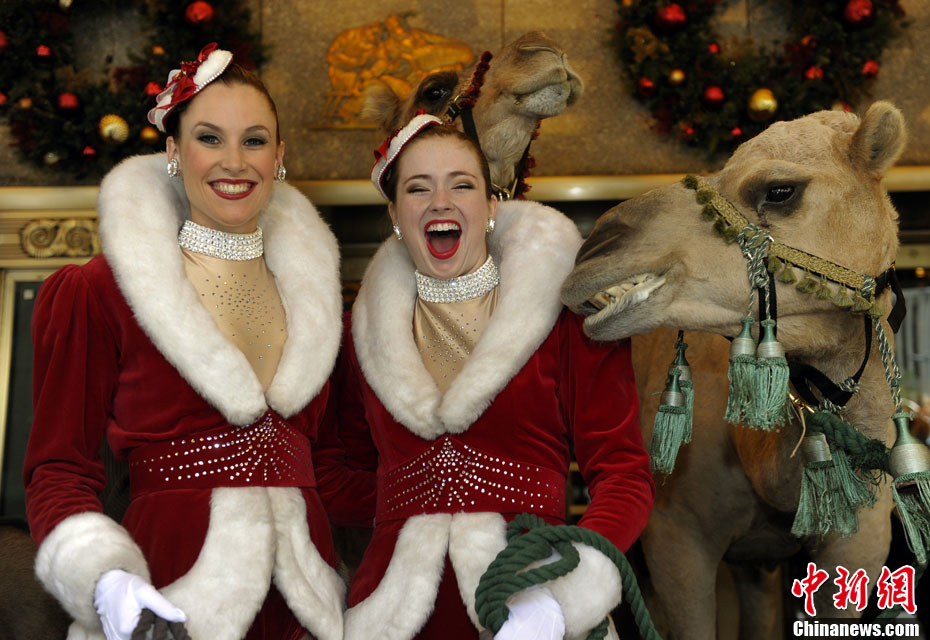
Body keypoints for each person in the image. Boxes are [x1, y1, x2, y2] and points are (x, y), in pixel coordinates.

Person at [23, 44, 345, 640]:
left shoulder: (321, 305)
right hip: (167, 597)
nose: (234, 161)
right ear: (174, 152)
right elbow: (58, 469)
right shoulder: (101, 291)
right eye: (209, 138)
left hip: (308, 607)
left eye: (254, 140)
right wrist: (107, 582)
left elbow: (342, 468)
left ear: (279, 157)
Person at [315, 114, 655, 639]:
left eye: (461, 185)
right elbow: (332, 474)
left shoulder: (567, 321)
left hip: (533, 598)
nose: (440, 202)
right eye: (418, 188)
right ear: (395, 213)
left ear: (492, 206)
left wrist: (569, 591)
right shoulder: (358, 336)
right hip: (393, 614)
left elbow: (624, 475)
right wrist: (410, 501)